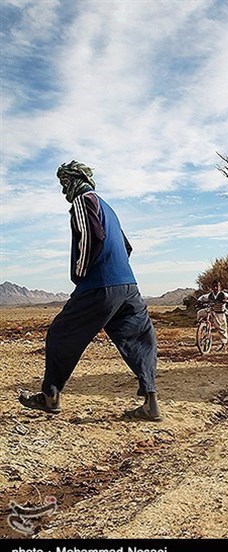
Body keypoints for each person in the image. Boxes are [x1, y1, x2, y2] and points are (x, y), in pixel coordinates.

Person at [18, 161, 162, 421]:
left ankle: (50, 396)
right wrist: (119, 273)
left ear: (75, 180)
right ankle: (151, 403)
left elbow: (91, 236)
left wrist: (81, 274)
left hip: (99, 284)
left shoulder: (83, 201)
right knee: (139, 338)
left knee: (62, 333)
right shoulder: (110, 208)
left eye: (65, 183)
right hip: (128, 286)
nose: (64, 190)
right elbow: (127, 247)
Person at [196, 279, 228, 350]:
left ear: (219, 287)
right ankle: (201, 327)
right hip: (212, 311)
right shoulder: (210, 295)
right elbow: (202, 297)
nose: (215, 288)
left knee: (221, 328)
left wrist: (227, 301)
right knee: (200, 312)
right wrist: (199, 301)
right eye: (214, 286)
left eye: (217, 286)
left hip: (220, 313)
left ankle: (224, 343)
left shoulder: (223, 294)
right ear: (212, 287)